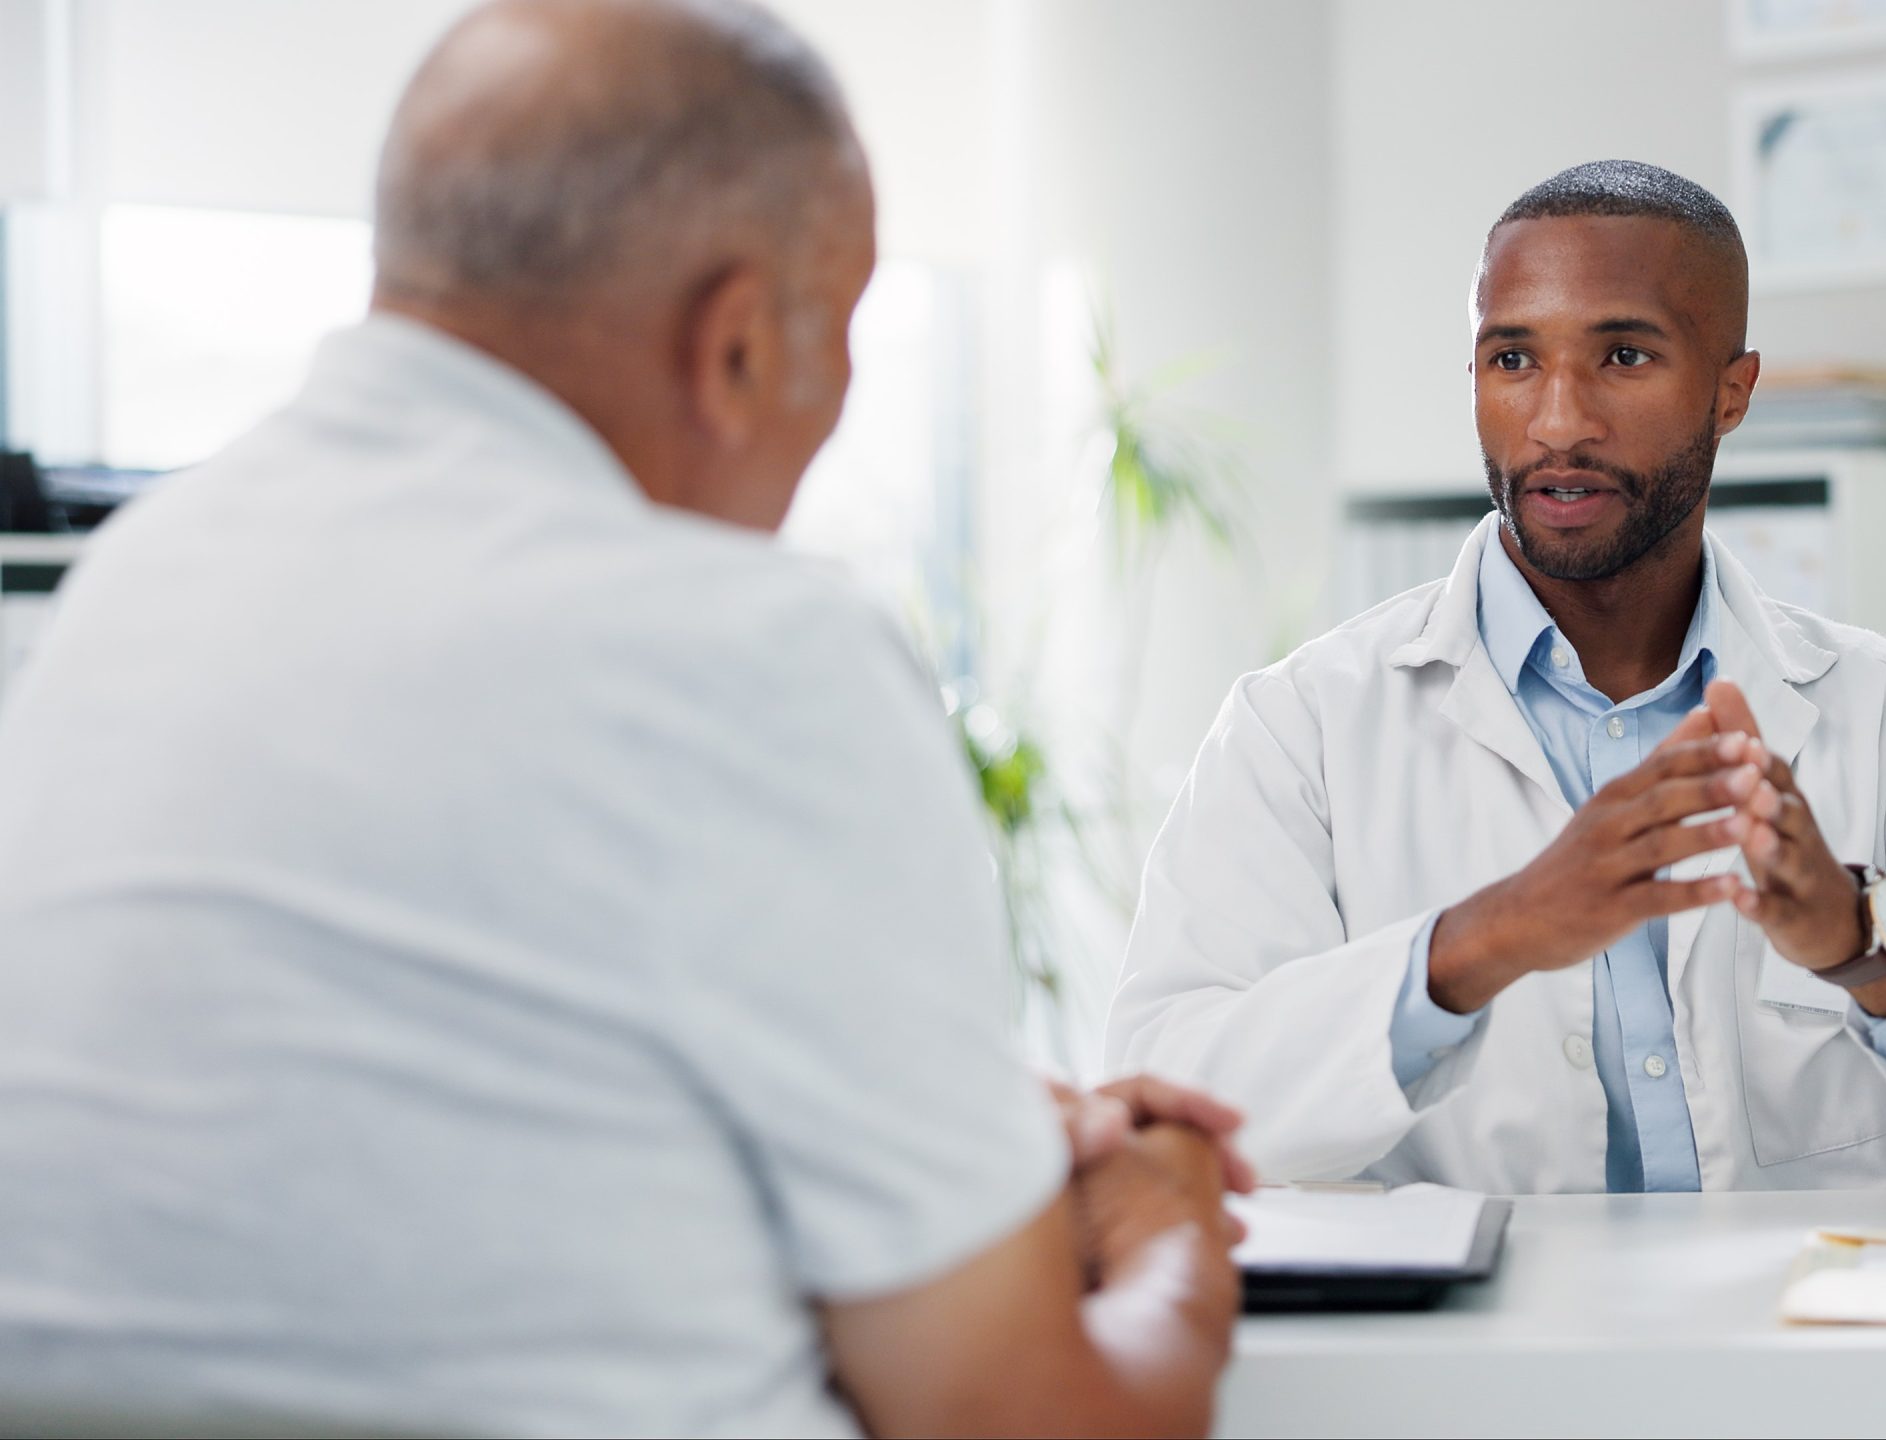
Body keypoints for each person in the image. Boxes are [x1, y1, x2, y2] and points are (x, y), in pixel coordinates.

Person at [0, 2, 1244, 1435]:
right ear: (734, 350)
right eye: (836, 345)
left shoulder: (133, 583)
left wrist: (947, 1142)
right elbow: (1027, 1422)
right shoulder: (751, 648)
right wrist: (1169, 1238)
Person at [1107, 161, 1886, 1195]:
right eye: (1511, 359)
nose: (1558, 419)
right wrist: (1484, 939)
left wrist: (1868, 944)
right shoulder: (1302, 729)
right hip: (1471, 1372)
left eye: (1623, 357)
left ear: (1732, 392)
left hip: (1800, 1354)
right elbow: (1164, 1099)